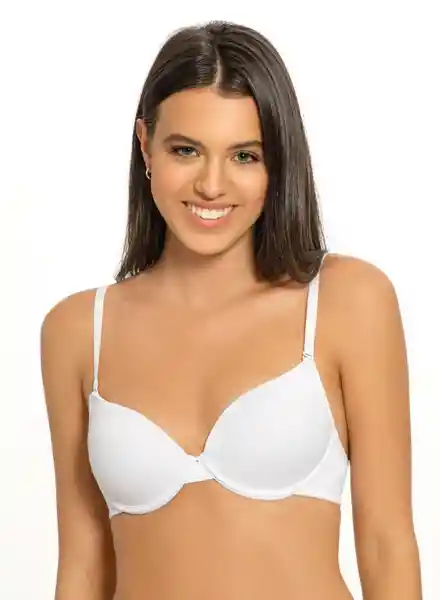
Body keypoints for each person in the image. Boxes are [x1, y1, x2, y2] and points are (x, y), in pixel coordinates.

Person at [40, 20, 422, 600]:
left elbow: (386, 545)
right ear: (145, 145)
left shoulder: (346, 301)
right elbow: (83, 567)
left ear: (278, 162)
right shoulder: (76, 331)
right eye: (186, 150)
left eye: (244, 155)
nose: (212, 185)